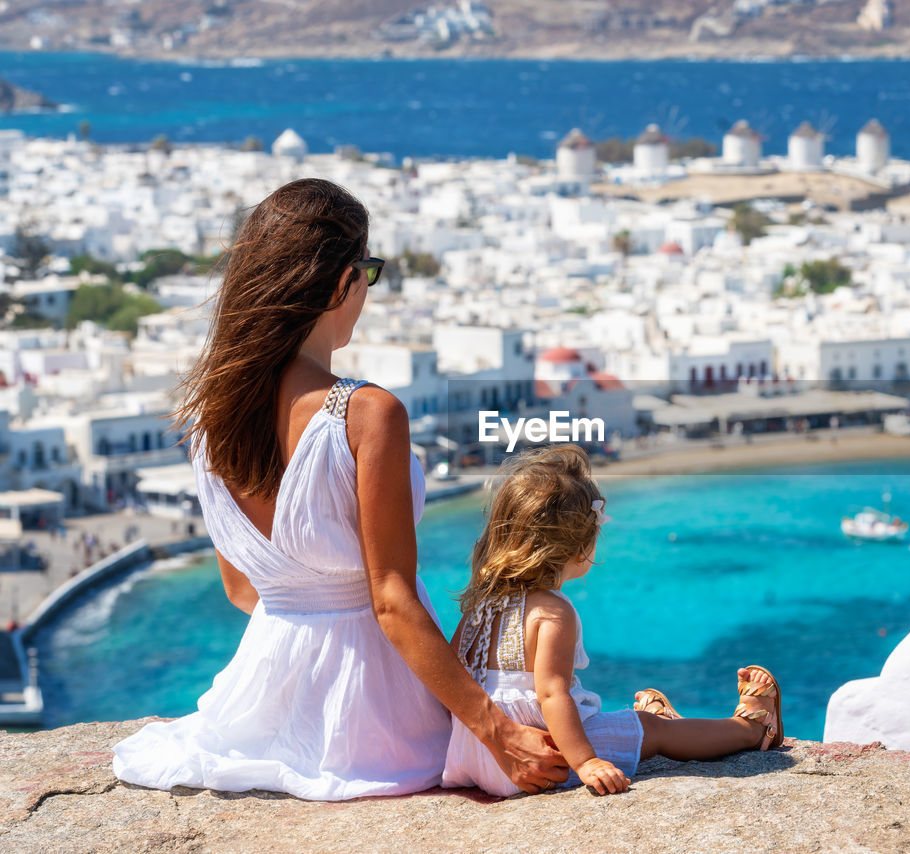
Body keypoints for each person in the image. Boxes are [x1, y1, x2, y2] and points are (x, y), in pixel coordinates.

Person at [112, 178, 568, 801]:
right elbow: (391, 602)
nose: (367, 292)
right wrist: (494, 730)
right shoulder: (366, 413)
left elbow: (243, 589)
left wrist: (310, 625)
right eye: (368, 272)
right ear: (339, 283)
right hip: (382, 720)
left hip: (258, 713)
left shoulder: (208, 419)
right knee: (592, 730)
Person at [442, 445, 783, 797]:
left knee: (633, 723)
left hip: (477, 755)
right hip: (542, 753)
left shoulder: (481, 605)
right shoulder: (552, 612)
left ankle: (680, 721)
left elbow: (451, 672)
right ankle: (751, 731)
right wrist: (586, 762)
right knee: (651, 730)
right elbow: (551, 694)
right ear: (579, 548)